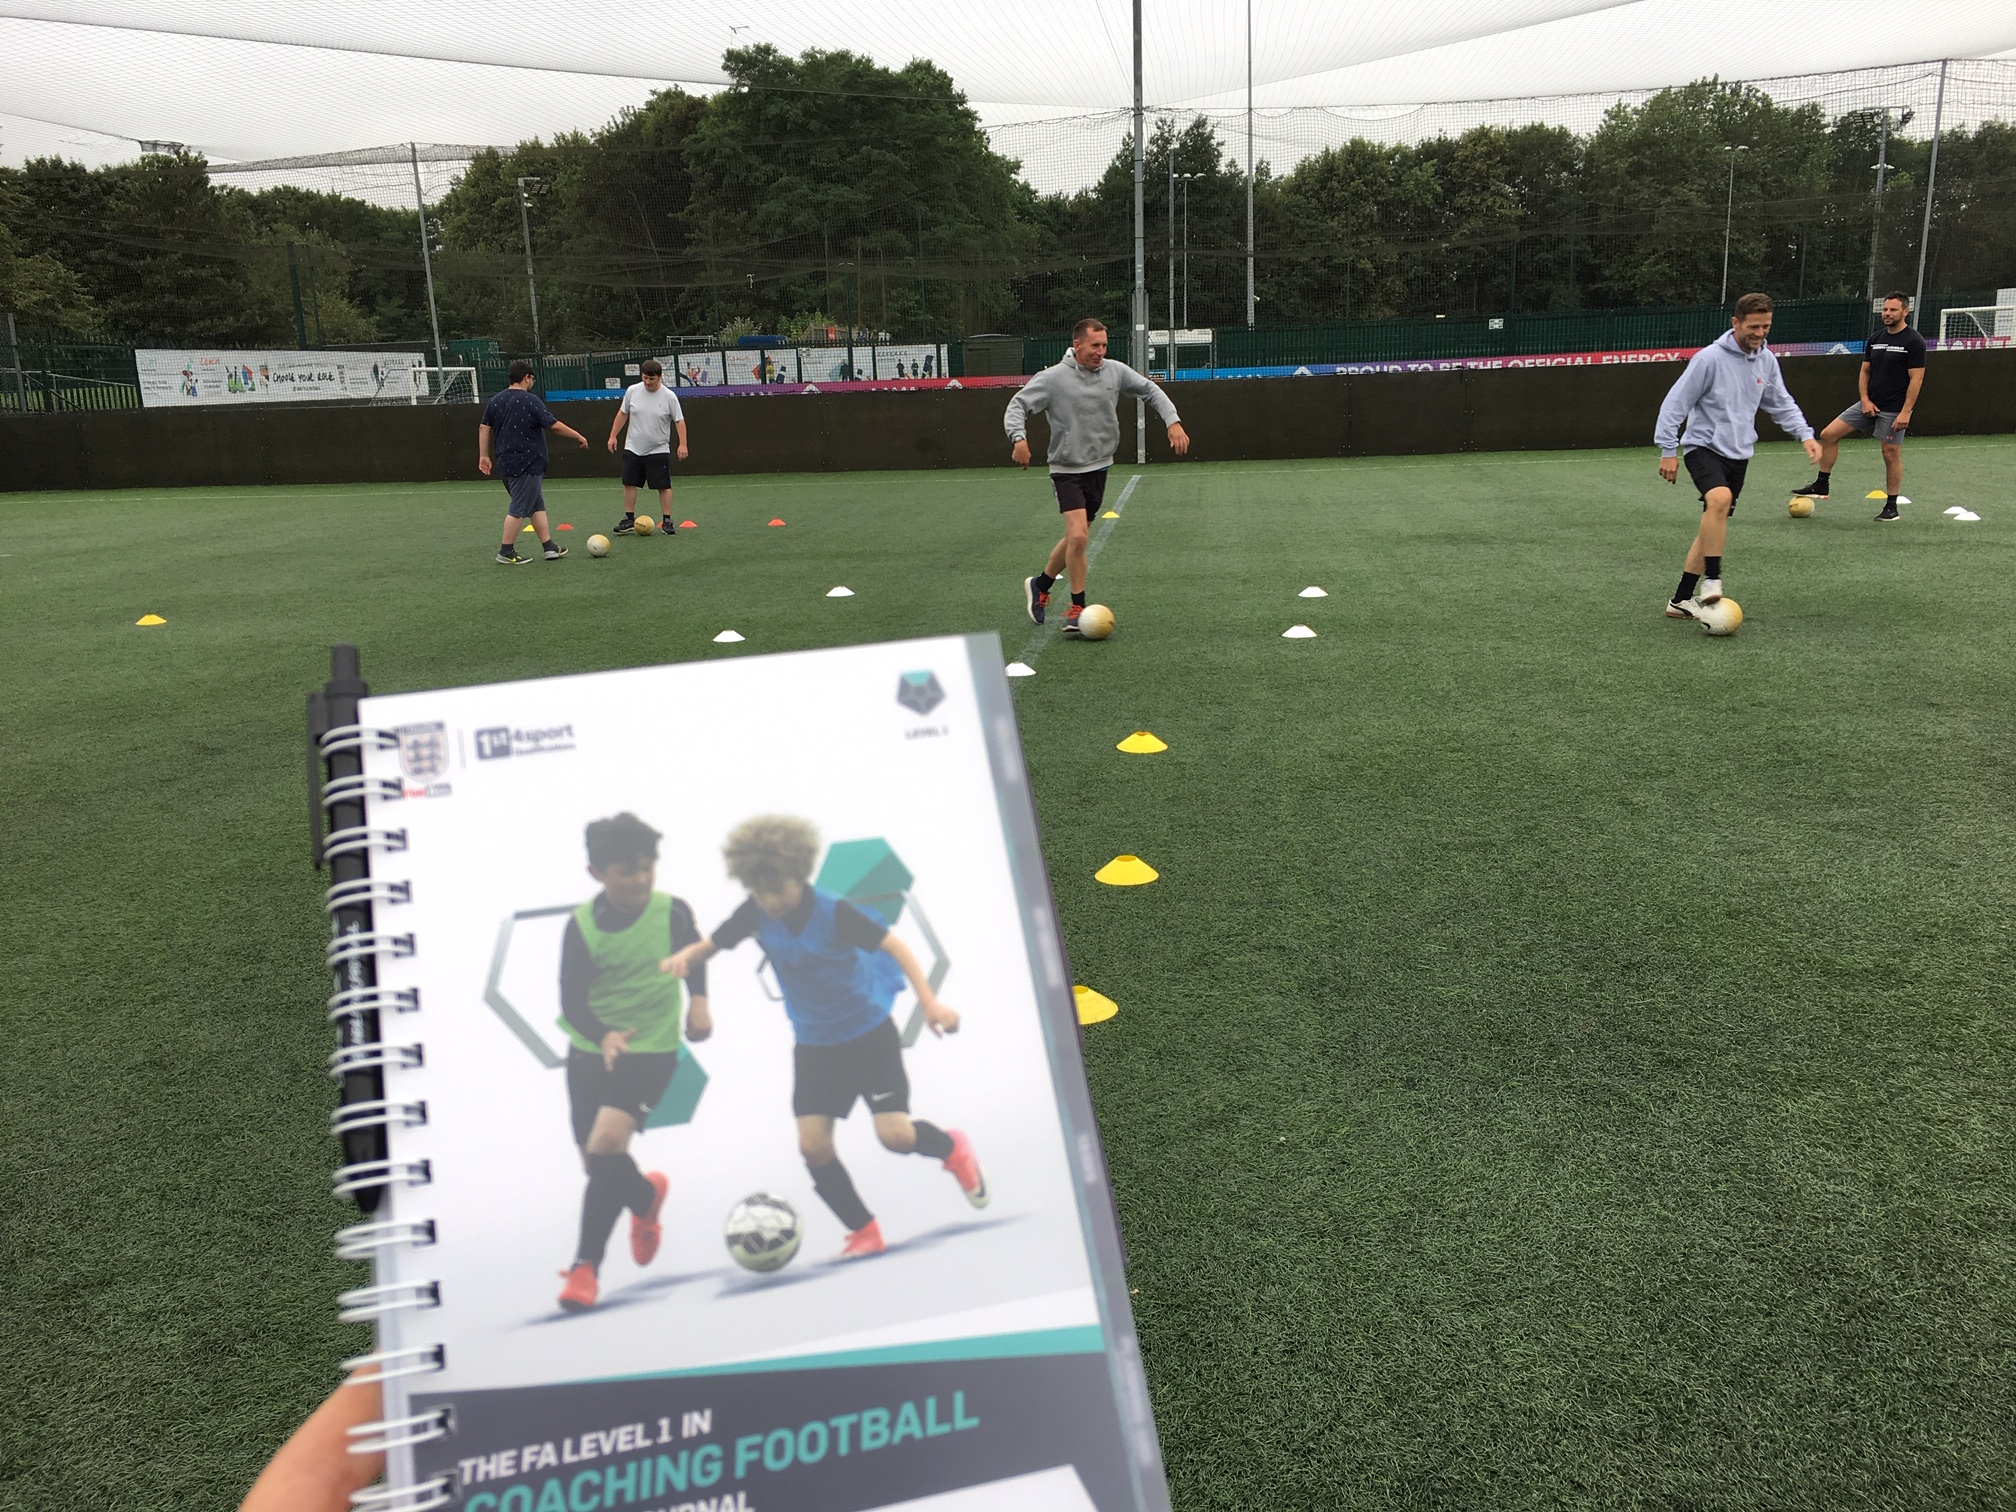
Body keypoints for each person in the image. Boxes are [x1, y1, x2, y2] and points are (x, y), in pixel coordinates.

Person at [660, 816, 986, 1260]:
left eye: (778, 889)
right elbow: (711, 945)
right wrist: (685, 956)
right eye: (761, 891)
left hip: (869, 1036)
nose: (771, 901)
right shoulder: (754, 911)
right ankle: (863, 1230)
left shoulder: (834, 911)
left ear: (800, 874)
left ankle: (952, 1147)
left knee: (895, 1137)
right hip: (814, 1046)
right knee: (813, 1147)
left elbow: (897, 948)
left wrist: (930, 1003)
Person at [554, 813, 712, 1313]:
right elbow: (571, 1002)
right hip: (590, 1051)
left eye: (648, 868)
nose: (641, 880)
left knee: (605, 1147)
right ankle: (644, 1197)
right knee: (596, 1164)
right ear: (597, 873)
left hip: (651, 1049)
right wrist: (602, 1036)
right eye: (627, 871)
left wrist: (699, 1002)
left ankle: (584, 1270)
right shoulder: (582, 927)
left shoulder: (672, 912)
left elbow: (695, 955)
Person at [1005, 318, 1190, 633]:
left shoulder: (1115, 372)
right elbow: (1017, 405)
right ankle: (1077, 607)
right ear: (1077, 345)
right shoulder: (1052, 379)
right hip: (1066, 469)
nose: (1100, 351)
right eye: (1094, 345)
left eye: (1104, 345)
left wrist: (1172, 421)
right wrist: (1018, 438)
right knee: (1079, 536)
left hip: (1099, 467)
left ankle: (1041, 584)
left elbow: (1150, 390)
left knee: (1075, 538)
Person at [1654, 293, 1824, 619]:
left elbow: (1781, 402)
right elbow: (1675, 404)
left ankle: (1680, 600)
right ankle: (1712, 580)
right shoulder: (1708, 359)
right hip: (1703, 447)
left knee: (1713, 521)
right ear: (1736, 323)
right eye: (1753, 327)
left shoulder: (1766, 360)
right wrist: (1668, 449)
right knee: (1719, 499)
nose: (1760, 333)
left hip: (1739, 453)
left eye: (1766, 326)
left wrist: (1805, 434)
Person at [1791, 291, 1926, 521]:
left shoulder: (1914, 341)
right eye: (1885, 309)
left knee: (1890, 453)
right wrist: (1865, 400)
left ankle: (1891, 507)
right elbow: (1865, 372)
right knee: (1828, 434)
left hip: (1895, 408)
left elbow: (1917, 379)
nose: (1887, 313)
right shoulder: (1875, 339)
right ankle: (1821, 484)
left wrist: (1905, 411)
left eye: (1893, 310)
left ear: (1905, 311)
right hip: (1869, 403)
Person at [478, 360, 588, 565]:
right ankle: (505, 551)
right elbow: (553, 426)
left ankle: (549, 547)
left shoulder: (496, 400)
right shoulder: (530, 400)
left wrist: (483, 455)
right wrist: (578, 436)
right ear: (527, 377)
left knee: (536, 505)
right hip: (527, 463)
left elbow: (484, 427)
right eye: (532, 379)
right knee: (519, 508)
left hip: (505, 462)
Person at [606, 359, 688, 536]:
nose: (648, 382)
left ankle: (667, 521)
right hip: (633, 447)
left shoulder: (669, 397)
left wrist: (683, 444)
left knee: (663, 486)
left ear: (660, 377)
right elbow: (623, 413)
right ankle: (629, 519)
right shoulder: (632, 391)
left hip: (658, 449)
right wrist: (613, 435)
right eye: (645, 378)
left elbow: (679, 421)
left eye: (652, 379)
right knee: (629, 482)